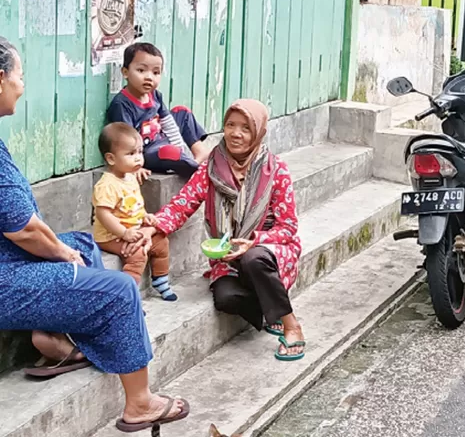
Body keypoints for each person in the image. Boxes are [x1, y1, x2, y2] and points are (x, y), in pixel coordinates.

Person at [0, 37, 189, 431]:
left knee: (82, 243)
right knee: (118, 291)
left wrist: (62, 250)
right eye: (20, 75)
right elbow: (24, 230)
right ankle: (139, 403)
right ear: (0, 80)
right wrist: (59, 255)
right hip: (7, 279)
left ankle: (64, 346)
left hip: (9, 264)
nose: (23, 84)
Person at [133, 99, 306, 361]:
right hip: (228, 259)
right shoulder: (212, 167)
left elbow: (288, 228)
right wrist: (154, 225)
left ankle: (291, 323)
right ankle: (267, 305)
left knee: (253, 258)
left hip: (269, 252)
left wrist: (254, 241)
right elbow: (184, 203)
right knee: (225, 298)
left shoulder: (276, 170)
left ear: (259, 132)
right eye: (230, 125)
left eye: (245, 128)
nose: (236, 133)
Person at [93, 123, 176, 301]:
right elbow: (103, 214)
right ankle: (129, 297)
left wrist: (145, 216)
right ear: (111, 159)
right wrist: (124, 233)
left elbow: (134, 205)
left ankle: (160, 280)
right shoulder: (107, 185)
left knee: (161, 242)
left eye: (139, 152)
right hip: (110, 236)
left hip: (133, 229)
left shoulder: (130, 177)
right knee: (137, 254)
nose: (138, 158)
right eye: (131, 154)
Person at [107, 42, 210, 181]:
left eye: (156, 72)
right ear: (125, 72)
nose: (149, 77)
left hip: (161, 136)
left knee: (181, 112)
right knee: (169, 152)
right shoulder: (122, 104)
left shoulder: (155, 95)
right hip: (147, 151)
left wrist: (179, 147)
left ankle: (200, 153)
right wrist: (135, 166)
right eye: (141, 70)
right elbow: (125, 141)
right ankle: (196, 168)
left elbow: (168, 123)